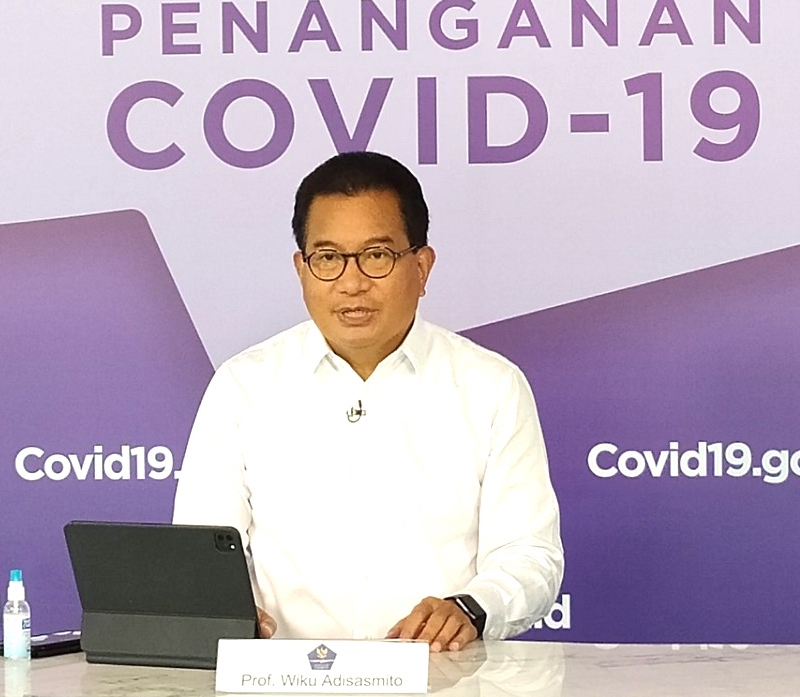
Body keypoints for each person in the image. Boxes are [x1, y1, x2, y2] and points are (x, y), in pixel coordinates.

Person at [173, 151, 562, 652]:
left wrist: (471, 608)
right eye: (328, 259)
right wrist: (224, 608)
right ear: (301, 269)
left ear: (421, 266)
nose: (351, 283)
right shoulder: (244, 386)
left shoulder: (490, 386)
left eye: (376, 256)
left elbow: (529, 555)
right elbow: (203, 550)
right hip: (280, 684)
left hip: (444, 680)